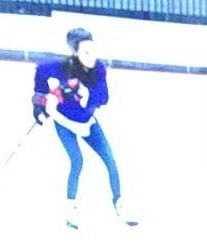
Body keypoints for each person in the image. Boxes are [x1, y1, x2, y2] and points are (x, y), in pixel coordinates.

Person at [33, 26, 137, 230]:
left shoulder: (99, 69)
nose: (91, 56)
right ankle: (70, 209)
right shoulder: (63, 68)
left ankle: (120, 204)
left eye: (93, 50)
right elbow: (40, 71)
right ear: (75, 53)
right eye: (86, 52)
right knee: (77, 161)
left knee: (110, 160)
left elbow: (104, 98)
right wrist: (39, 103)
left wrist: (83, 92)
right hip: (64, 121)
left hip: (87, 122)